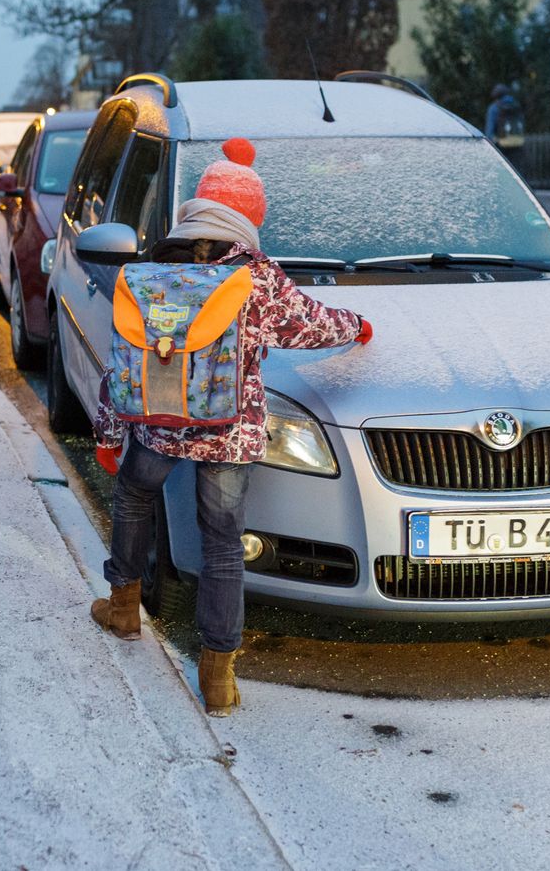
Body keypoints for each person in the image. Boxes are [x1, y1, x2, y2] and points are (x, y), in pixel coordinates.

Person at [88, 138, 372, 717]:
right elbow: (309, 326)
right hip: (227, 429)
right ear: (250, 216)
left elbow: (126, 359)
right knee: (222, 543)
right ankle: (217, 676)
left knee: (135, 495)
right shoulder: (256, 275)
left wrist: (109, 433)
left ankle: (122, 606)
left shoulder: (157, 265)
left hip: (158, 423)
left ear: (199, 204)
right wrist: (357, 326)